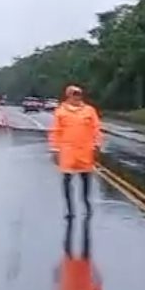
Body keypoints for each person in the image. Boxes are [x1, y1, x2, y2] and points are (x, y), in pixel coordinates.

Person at [48, 85, 102, 215]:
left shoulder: (89, 110)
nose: (77, 97)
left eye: (78, 94)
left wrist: (97, 145)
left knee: (86, 179)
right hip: (68, 152)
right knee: (67, 180)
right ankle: (69, 208)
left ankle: (87, 205)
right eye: (74, 94)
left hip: (85, 151)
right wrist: (55, 149)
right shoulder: (61, 111)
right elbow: (55, 131)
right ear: (68, 96)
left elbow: (96, 128)